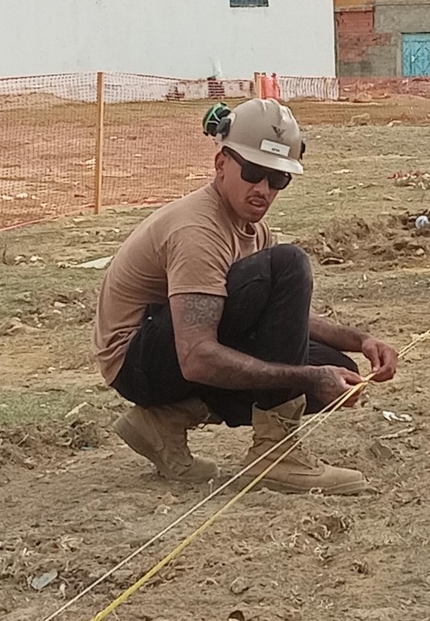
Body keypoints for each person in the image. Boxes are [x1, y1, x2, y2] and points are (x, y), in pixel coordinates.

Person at [92, 98, 399, 495]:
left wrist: (360, 341)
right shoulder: (198, 231)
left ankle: (164, 422)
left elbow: (282, 323)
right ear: (221, 164)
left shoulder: (252, 230)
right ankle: (276, 454)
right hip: (136, 361)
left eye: (278, 179)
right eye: (253, 172)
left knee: (334, 365)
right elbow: (197, 357)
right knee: (290, 268)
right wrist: (305, 378)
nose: (263, 190)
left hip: (173, 349)